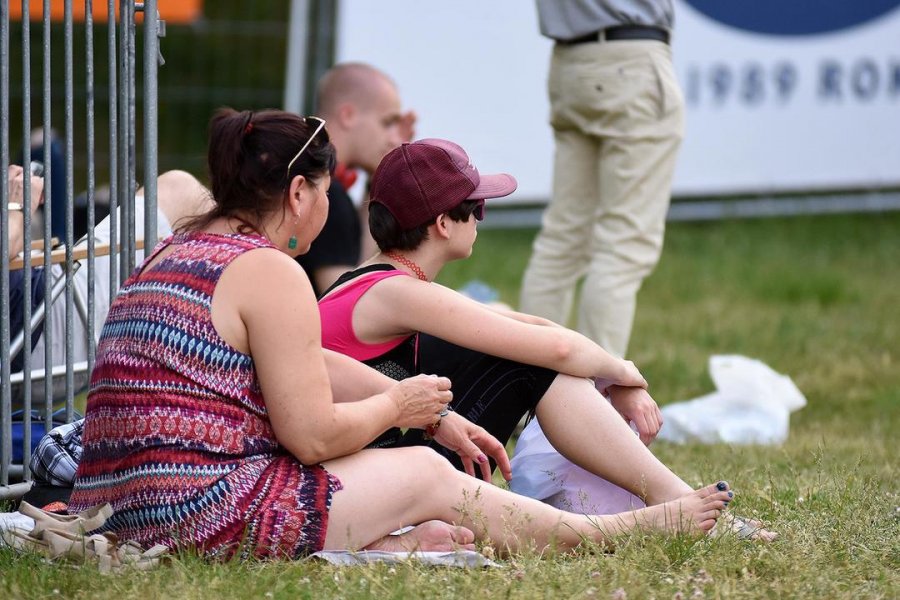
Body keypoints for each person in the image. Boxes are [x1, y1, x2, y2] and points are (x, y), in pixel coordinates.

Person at [68, 109, 733, 560]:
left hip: (116, 504)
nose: (330, 209)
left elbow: (312, 363)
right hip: (194, 514)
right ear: (299, 192)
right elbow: (311, 437)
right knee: (420, 472)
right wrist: (401, 407)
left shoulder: (176, 249)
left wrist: (435, 416)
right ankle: (610, 531)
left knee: (424, 458)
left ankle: (413, 537)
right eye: (328, 191)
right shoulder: (267, 269)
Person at [317, 139, 772, 540]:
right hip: (373, 482)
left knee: (522, 355)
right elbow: (554, 349)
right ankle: (673, 503)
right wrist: (626, 373)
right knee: (535, 363)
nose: (480, 219)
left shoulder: (374, 283)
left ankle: (670, 499)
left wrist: (612, 372)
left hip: (370, 465)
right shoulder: (395, 292)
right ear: (442, 223)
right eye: (477, 208)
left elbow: (532, 327)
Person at [520, 0, 685, 359]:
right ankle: (597, 400)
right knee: (623, 245)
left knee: (562, 240)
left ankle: (523, 393)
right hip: (631, 55)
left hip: (570, 60)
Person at [297, 62, 416, 296]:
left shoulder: (303, 169)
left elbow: (357, 268)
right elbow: (347, 299)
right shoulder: (327, 194)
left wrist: (380, 179)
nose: (393, 138)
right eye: (387, 123)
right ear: (348, 116)